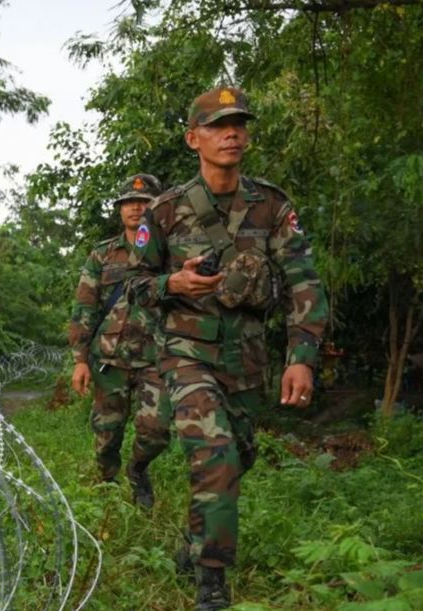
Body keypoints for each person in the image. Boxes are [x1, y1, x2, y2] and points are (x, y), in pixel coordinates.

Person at [125, 87, 329, 610]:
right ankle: (212, 584)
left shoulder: (273, 205)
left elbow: (304, 281)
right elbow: (135, 286)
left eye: (238, 123)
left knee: (238, 457)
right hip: (186, 355)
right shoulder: (166, 211)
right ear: (194, 138)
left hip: (247, 359)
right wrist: (174, 285)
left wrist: (302, 358)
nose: (232, 133)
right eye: (218, 125)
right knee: (214, 458)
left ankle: (195, 542)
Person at [68, 174, 173, 509]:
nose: (136, 208)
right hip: (109, 360)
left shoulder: (172, 255)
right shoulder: (103, 255)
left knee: (156, 431)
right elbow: (84, 307)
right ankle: (107, 484)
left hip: (156, 357)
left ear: (157, 208)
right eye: (129, 202)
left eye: (144, 202)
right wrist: (80, 360)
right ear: (120, 209)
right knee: (106, 433)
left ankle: (138, 468)